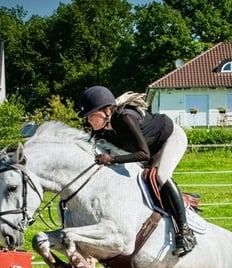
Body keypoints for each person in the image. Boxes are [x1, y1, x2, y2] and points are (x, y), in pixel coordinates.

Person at [78, 85, 197, 257]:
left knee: (162, 176)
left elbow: (143, 154)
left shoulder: (125, 118)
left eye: (91, 115)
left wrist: (111, 159)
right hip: (149, 148)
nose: (88, 120)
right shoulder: (101, 130)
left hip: (170, 138)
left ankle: (185, 233)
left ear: (106, 110)